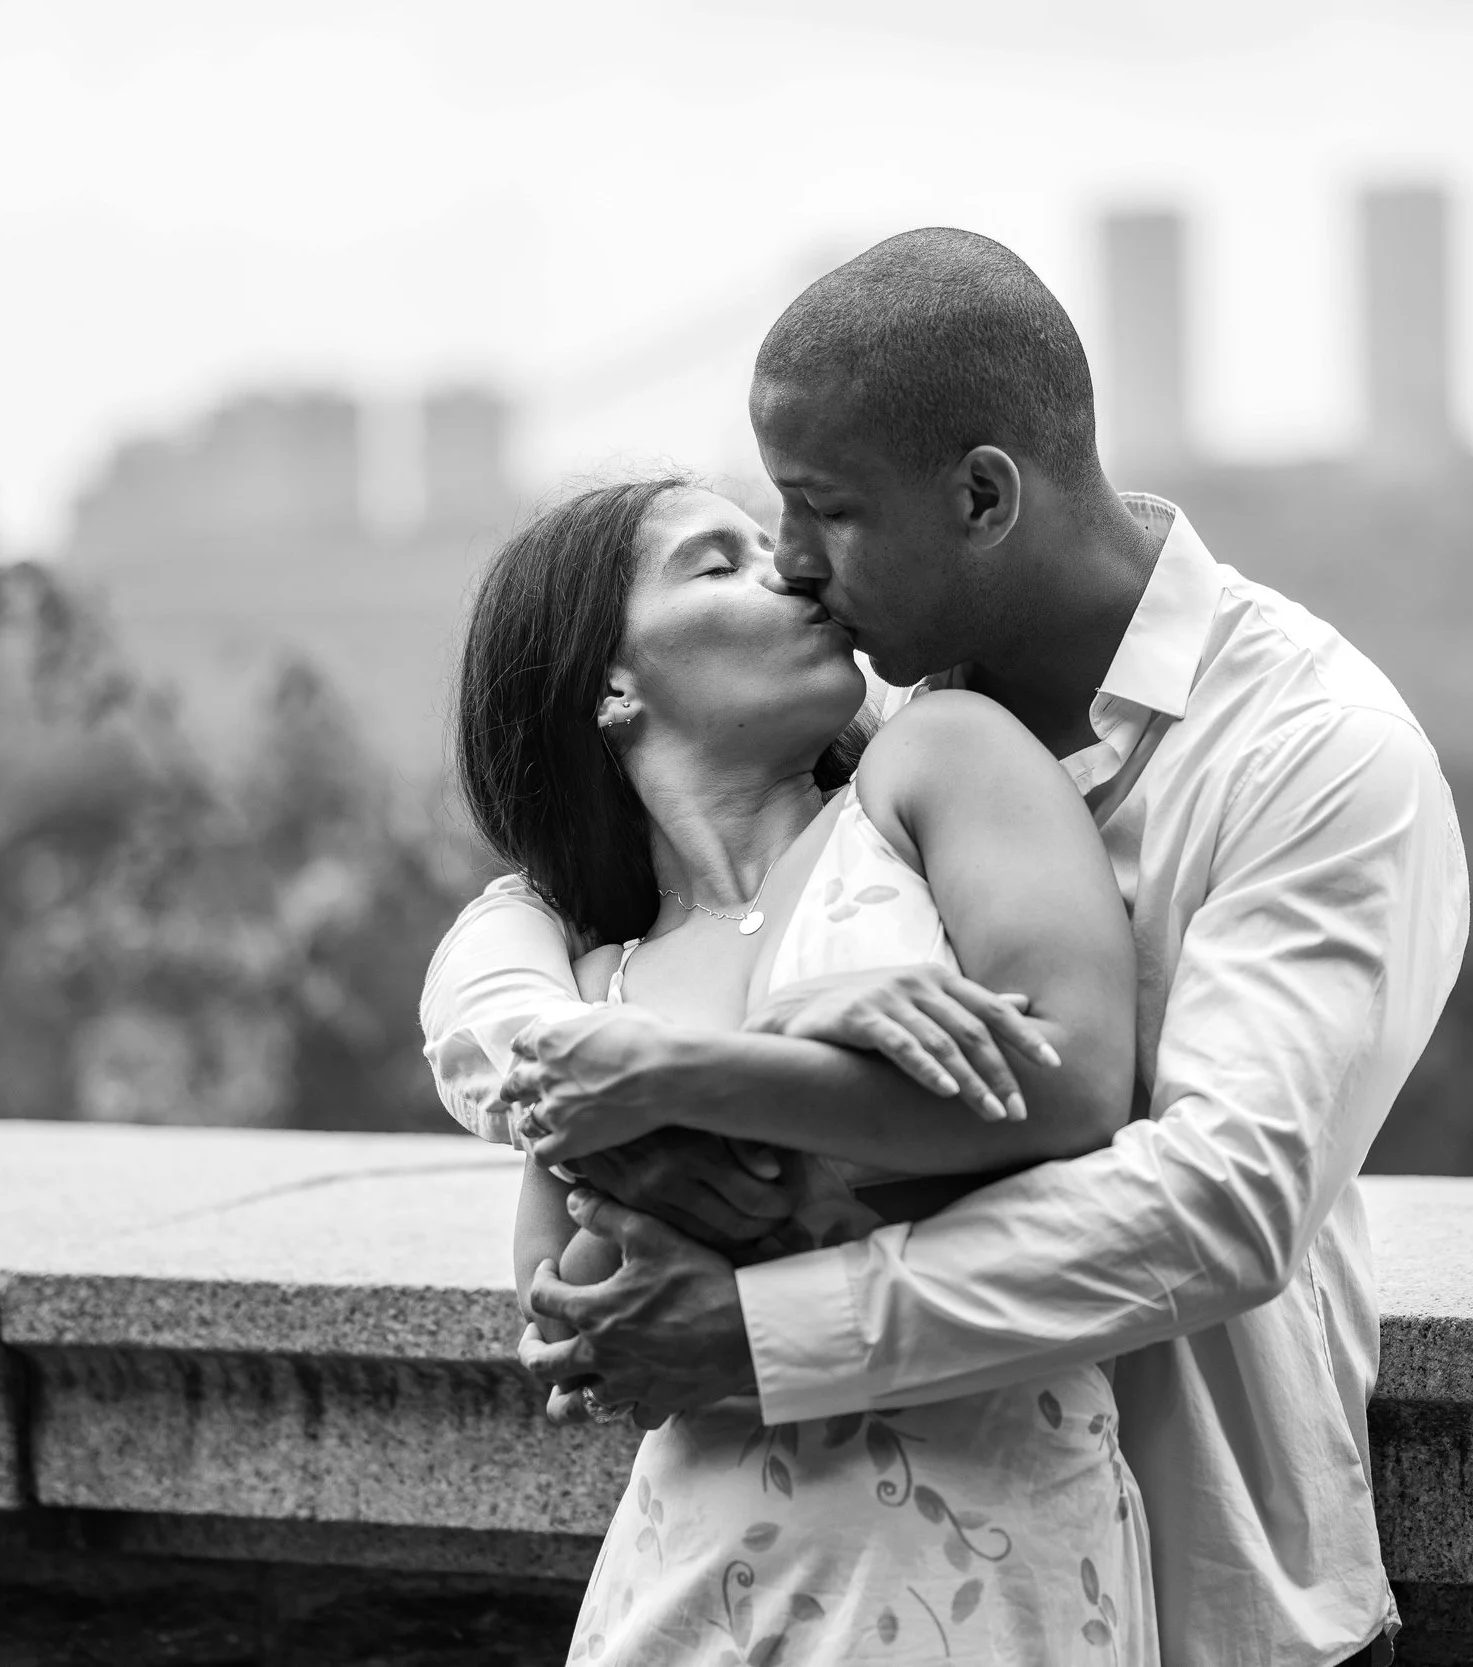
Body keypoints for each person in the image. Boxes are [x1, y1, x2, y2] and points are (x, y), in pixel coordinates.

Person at [422, 228, 1471, 1667]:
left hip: (1215, 1591)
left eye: (821, 509)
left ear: (981, 496)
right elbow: (543, 932)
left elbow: (1224, 1199)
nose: (793, 564)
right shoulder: (857, 755)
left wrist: (762, 1332)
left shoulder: (1315, 755)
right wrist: (595, 1057)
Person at [461, 474, 1159, 1662]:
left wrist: (683, 1098)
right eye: (717, 562)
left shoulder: (935, 764)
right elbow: (577, 1326)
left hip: (990, 1567)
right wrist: (800, 1029)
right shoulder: (598, 981)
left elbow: (1070, 1086)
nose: (788, 568)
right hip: (682, 1598)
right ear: (610, 683)